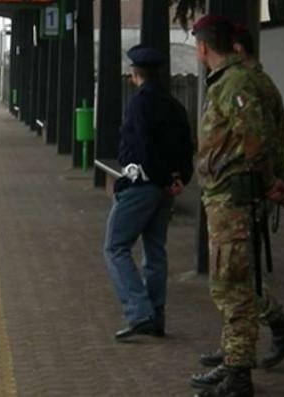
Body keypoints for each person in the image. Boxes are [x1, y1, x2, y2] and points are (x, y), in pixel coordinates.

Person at [188, 16, 284, 397]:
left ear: (204, 47)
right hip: (228, 197)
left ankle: (238, 375)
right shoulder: (234, 80)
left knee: (231, 286)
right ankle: (236, 359)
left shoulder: (236, 83)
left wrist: (273, 184)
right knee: (232, 282)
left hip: (234, 199)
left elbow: (254, 139)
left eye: (196, 45)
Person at [103, 45, 194, 342]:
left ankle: (140, 313)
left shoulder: (139, 103)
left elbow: (142, 147)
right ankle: (156, 316)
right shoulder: (173, 103)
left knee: (116, 247)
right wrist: (179, 178)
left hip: (142, 185)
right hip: (166, 188)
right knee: (155, 250)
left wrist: (157, 177)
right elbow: (185, 144)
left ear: (134, 74)